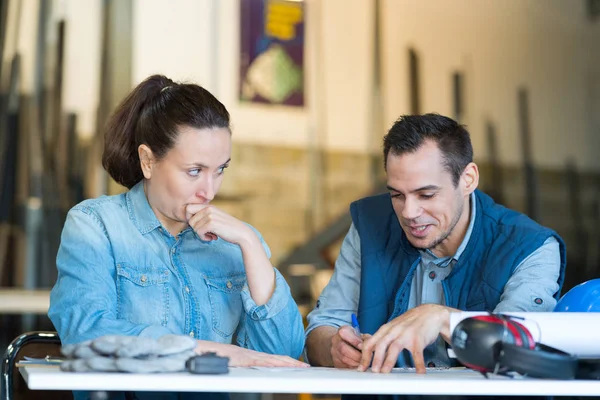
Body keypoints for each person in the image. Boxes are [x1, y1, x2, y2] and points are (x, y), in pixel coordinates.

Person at [48, 75, 307, 399]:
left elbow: (283, 353)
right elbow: (85, 333)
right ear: (148, 161)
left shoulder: (234, 242)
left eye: (221, 169)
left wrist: (250, 244)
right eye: (194, 171)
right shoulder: (96, 226)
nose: (209, 190)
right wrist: (203, 350)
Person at [305, 113, 566, 380]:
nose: (409, 212)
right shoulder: (368, 226)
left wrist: (444, 320)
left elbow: (521, 349)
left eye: (426, 194)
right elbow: (319, 332)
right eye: (396, 195)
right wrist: (333, 348)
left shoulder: (532, 247)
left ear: (468, 180)